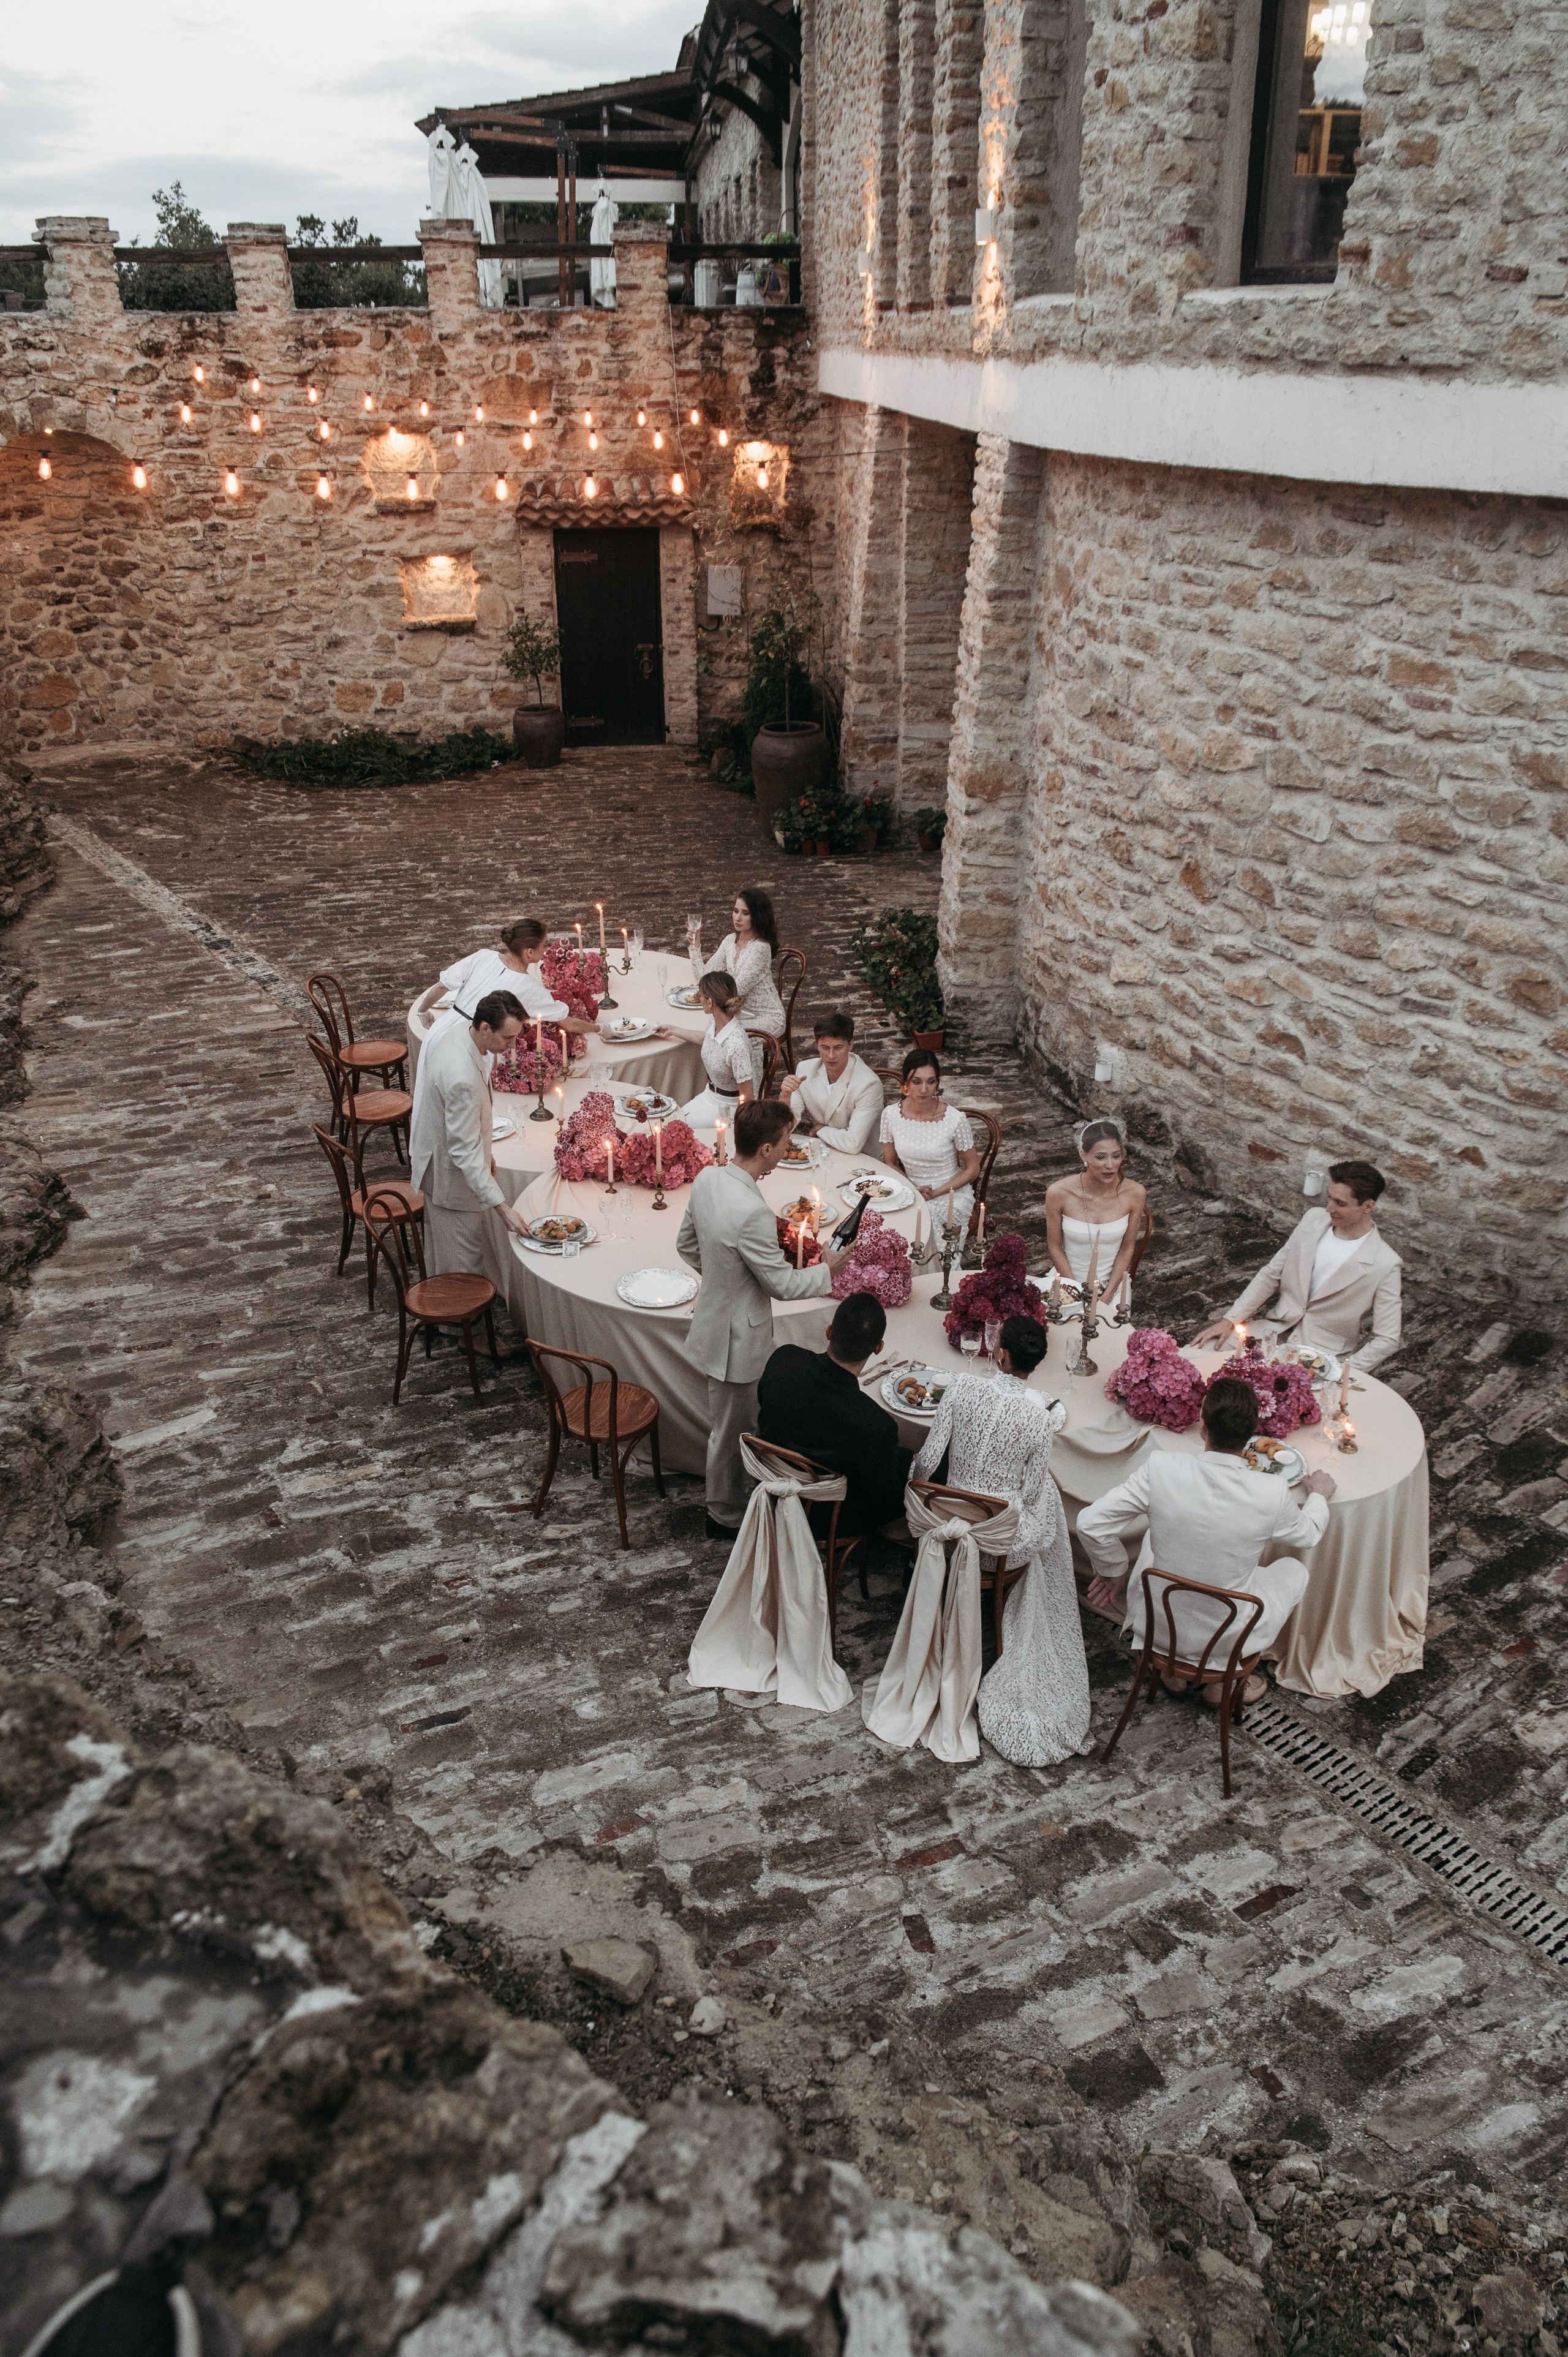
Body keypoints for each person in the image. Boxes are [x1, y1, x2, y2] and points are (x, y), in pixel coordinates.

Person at [1080, 1375, 1335, 1705]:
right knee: (1293, 1570)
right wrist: (1320, 1497)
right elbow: (1310, 1534)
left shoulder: (1160, 1468)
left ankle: (1172, 1670)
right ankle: (1220, 1684)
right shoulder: (1271, 1491)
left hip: (1159, 1617)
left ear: (1203, 1428)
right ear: (1251, 1436)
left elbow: (1091, 1522)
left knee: (1150, 1544)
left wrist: (1113, 1568)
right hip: (1227, 1632)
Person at [909, 1313, 1090, 1768]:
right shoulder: (1038, 1417)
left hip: (948, 1533)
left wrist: (920, 1497)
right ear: (1035, 1364)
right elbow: (1028, 1495)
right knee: (1046, 1493)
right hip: (996, 1546)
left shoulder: (962, 1389)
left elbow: (929, 1461)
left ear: (1001, 1353)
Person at [676, 1097, 844, 1537]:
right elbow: (784, 1287)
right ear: (767, 1149)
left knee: (729, 1426)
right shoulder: (751, 1212)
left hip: (714, 1321)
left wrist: (724, 1280)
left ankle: (730, 1505)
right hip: (736, 1340)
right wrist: (831, 1270)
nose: (789, 1146)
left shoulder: (710, 1177)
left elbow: (687, 1246)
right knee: (734, 1432)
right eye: (786, 1140)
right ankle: (724, 1516)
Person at [1194, 1161, 1402, 1373]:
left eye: (1340, 1203)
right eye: (1329, 1198)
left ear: (1368, 1206)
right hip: (1270, 1332)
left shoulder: (1386, 1263)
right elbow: (1271, 1274)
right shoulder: (1313, 1219)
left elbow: (1388, 1338)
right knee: (1192, 1358)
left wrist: (1342, 1373)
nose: (1329, 1208)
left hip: (1318, 1359)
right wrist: (1229, 1320)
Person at [758, 1291, 912, 1539]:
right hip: (825, 1515)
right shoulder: (876, 1424)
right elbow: (883, 1498)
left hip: (768, 1490)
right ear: (878, 1348)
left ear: (829, 1331)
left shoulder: (783, 1359)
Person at [409, 989, 532, 1275]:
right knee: (463, 1265)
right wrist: (504, 1210)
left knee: (446, 1253)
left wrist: (484, 1151)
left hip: (438, 1162)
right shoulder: (462, 1077)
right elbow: (463, 1149)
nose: (512, 1045)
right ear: (485, 1027)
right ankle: (456, 1320)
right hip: (451, 1181)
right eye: (507, 1038)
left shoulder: (460, 1035)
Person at [414, 919, 594, 1115]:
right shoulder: (528, 987)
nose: (547, 949)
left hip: (440, 1030)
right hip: (475, 1041)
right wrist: (600, 1029)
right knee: (463, 1109)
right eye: (544, 945)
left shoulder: (483, 956)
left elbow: (442, 986)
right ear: (530, 953)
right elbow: (566, 1022)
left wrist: (423, 1011)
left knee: (428, 1102)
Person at [1045, 1117, 1147, 1303]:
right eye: (1101, 1157)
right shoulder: (1058, 1193)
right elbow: (1054, 1247)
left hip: (1112, 1287)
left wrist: (1108, 1295)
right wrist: (1074, 1289)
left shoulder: (1136, 1193)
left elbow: (1127, 1248)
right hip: (1067, 1281)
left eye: (1116, 1156)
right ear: (1084, 1155)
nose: (1110, 1165)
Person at [880, 1049, 981, 1228]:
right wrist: (912, 1189)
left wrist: (935, 1193)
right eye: (917, 1082)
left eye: (931, 1082)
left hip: (950, 1194)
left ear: (937, 1085)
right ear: (906, 1084)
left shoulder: (955, 1119)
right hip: (908, 1190)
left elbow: (973, 1169)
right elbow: (891, 1162)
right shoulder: (890, 1115)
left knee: (923, 1226)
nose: (924, 1090)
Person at [779, 1010, 884, 1154]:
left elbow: (853, 1144)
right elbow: (785, 1128)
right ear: (817, 1045)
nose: (831, 1055)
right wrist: (785, 1097)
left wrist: (821, 1130)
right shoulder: (805, 1069)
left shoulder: (869, 1084)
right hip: (822, 1153)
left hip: (864, 1160)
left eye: (838, 1048)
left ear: (851, 1045)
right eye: (825, 1048)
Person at [712, 889, 785, 1067]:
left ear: (757, 916)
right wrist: (695, 946)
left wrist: (711, 992)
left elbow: (736, 989)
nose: (738, 918)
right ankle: (720, 1085)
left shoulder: (760, 948)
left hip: (767, 1016)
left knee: (727, 1034)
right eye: (736, 911)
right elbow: (707, 975)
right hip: (739, 1012)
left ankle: (745, 1089)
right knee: (712, 1030)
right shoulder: (730, 940)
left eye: (745, 913)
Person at [678, 970, 756, 1129]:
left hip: (729, 1107)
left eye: (701, 996)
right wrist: (672, 1030)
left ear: (710, 1003)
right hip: (709, 1095)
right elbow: (706, 1040)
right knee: (674, 1119)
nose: (699, 999)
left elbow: (748, 1098)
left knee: (679, 1130)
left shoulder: (737, 1044)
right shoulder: (715, 1022)